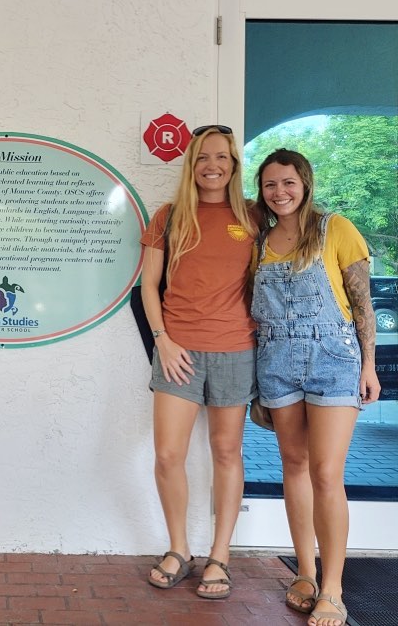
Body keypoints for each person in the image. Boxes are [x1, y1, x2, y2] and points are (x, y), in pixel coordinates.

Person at [251, 149, 380, 626]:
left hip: (334, 358)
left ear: (305, 183)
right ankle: (304, 572)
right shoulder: (259, 239)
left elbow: (362, 305)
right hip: (277, 360)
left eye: (288, 182)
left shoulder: (336, 229)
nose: (279, 192)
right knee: (295, 466)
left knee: (327, 473)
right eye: (269, 185)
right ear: (261, 192)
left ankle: (333, 588)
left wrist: (369, 366)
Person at [140, 125, 257, 599]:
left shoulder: (253, 216)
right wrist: (163, 340)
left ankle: (220, 556)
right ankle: (179, 549)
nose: (213, 165)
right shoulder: (169, 216)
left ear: (233, 165)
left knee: (227, 453)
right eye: (204, 157)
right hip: (178, 352)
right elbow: (149, 286)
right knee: (168, 454)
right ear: (192, 164)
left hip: (235, 350)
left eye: (223, 158)